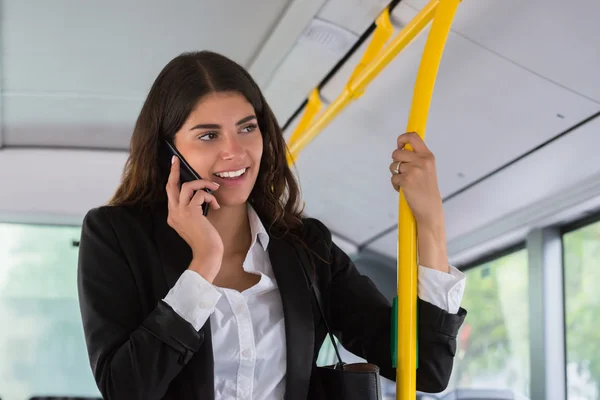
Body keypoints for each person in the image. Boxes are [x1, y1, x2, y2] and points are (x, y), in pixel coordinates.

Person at [77, 50, 467, 400]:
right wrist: (203, 264)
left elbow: (426, 370)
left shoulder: (304, 247)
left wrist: (430, 221)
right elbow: (124, 388)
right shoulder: (115, 236)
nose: (235, 151)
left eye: (247, 128)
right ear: (170, 152)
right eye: (209, 135)